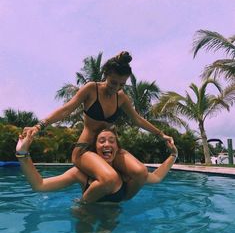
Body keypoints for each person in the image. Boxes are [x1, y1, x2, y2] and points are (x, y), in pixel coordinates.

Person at [22, 51, 174, 203]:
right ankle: (83, 205)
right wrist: (39, 125)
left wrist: (161, 134)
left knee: (141, 172)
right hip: (85, 150)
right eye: (113, 82)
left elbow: (137, 120)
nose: (116, 88)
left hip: (107, 148)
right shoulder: (91, 89)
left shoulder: (121, 97)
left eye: (122, 84)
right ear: (105, 74)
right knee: (110, 178)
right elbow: (67, 109)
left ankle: (117, 202)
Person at [16, 126, 178, 202]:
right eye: (101, 141)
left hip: (111, 221)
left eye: (111, 141)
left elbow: (156, 177)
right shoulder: (79, 173)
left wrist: (173, 155)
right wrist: (22, 153)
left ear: (117, 147)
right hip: (85, 216)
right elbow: (40, 185)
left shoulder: (127, 174)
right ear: (94, 148)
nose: (107, 144)